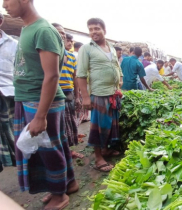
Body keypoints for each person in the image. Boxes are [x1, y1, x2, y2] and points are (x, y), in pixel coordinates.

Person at [3, 0, 78, 208]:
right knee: (56, 145)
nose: (3, 5)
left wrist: (40, 116)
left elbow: (52, 76)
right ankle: (67, 184)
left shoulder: (43, 30)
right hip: (30, 98)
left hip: (40, 101)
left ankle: (59, 195)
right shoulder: (28, 28)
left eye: (7, 0)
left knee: (48, 149)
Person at [77, 18, 123, 173]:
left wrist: (120, 79)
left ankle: (106, 150)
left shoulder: (110, 47)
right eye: (90, 29)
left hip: (113, 93)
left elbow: (117, 66)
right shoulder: (86, 48)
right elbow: (81, 75)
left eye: (96, 28)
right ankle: (98, 158)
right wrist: (85, 97)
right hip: (99, 93)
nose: (93, 32)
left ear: (104, 30)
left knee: (110, 125)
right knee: (99, 127)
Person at [52, 24, 84, 159]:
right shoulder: (50, 54)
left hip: (68, 92)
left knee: (69, 124)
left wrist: (77, 97)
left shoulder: (72, 57)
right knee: (58, 126)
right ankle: (61, 153)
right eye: (59, 33)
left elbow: (75, 77)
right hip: (54, 94)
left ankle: (68, 150)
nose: (67, 40)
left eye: (64, 34)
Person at [0, 11, 17, 181]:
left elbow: (20, 72)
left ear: (0, 21)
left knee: (14, 141)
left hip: (8, 98)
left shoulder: (13, 45)